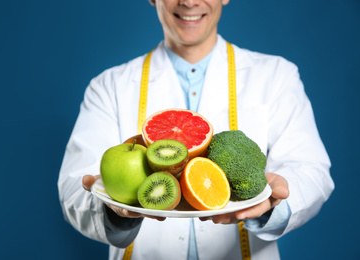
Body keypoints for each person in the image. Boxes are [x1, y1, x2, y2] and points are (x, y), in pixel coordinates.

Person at [58, 0, 334, 259]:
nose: (189, 1)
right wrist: (114, 211)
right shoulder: (108, 86)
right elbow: (75, 187)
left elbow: (310, 170)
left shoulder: (277, 76)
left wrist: (267, 207)